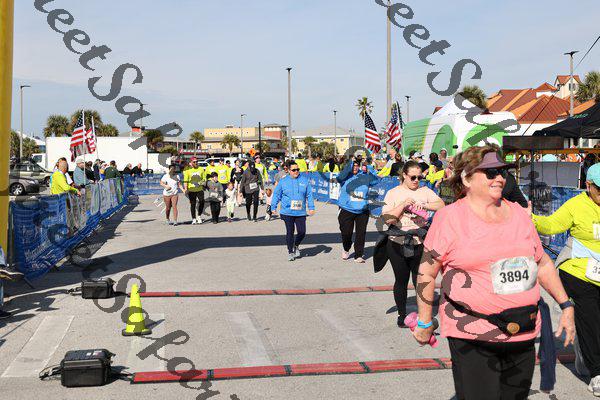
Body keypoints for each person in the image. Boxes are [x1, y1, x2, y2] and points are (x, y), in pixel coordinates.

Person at [413, 146, 575, 400]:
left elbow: (542, 263)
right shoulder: (449, 219)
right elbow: (426, 273)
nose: (499, 177)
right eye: (490, 172)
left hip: (523, 330)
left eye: (502, 172)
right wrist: (424, 322)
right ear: (467, 178)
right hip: (472, 333)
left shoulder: (519, 214)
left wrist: (566, 305)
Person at [530, 162, 600, 395]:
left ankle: (585, 356)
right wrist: (531, 218)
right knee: (590, 320)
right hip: (578, 271)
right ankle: (597, 373)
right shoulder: (576, 205)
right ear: (588, 185)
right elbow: (551, 225)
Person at [380, 160, 444, 326]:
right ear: (404, 175)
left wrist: (424, 205)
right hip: (397, 242)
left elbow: (441, 205)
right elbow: (387, 219)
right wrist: (403, 205)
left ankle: (424, 315)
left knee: (420, 280)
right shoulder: (393, 193)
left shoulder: (424, 191)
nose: (416, 180)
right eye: (413, 177)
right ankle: (402, 315)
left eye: (419, 177)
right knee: (401, 280)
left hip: (420, 242)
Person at [336, 156, 378, 263]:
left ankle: (358, 255)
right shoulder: (344, 176)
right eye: (353, 165)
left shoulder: (364, 176)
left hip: (362, 210)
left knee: (361, 233)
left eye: (356, 165)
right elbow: (339, 178)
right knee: (346, 233)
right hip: (346, 209)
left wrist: (368, 165)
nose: (355, 167)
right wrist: (351, 161)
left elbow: (375, 180)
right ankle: (346, 248)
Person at [271, 161, 316, 261]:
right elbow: (277, 194)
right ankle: (290, 251)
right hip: (287, 211)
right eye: (294, 170)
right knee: (290, 232)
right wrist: (273, 207)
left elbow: (309, 195)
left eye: (297, 169)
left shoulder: (305, 181)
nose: (296, 171)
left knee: (302, 232)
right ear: (288, 170)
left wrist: (311, 207)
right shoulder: (283, 181)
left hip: (300, 212)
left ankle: (296, 245)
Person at [183, 157, 206, 224]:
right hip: (191, 190)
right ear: (191, 163)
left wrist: (200, 183)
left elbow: (204, 179)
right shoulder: (188, 170)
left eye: (196, 161)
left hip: (199, 189)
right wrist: (186, 189)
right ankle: (193, 219)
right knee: (193, 204)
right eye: (194, 162)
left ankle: (199, 216)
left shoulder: (201, 169)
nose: (196, 163)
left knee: (202, 201)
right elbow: (185, 181)